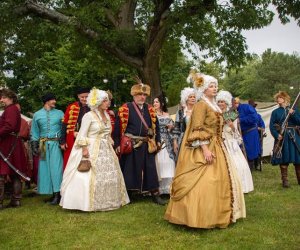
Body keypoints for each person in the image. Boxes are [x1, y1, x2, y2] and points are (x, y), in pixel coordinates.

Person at [165, 72, 245, 229]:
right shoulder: (201, 105)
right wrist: (205, 150)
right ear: (203, 89)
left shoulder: (213, 104)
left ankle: (218, 213)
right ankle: (198, 216)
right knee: (207, 181)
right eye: (211, 86)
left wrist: (233, 109)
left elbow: (223, 119)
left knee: (219, 181)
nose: (215, 88)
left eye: (215, 85)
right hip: (205, 146)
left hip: (219, 144)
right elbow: (197, 128)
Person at [60, 88, 129, 211]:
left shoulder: (107, 115)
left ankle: (109, 201)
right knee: (88, 175)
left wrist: (109, 141)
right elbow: (82, 134)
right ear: (98, 102)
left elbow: (107, 132)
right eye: (105, 101)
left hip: (106, 148)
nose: (108, 103)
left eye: (108, 101)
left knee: (110, 174)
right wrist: (85, 149)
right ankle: (85, 203)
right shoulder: (88, 116)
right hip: (91, 147)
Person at [114, 80, 166, 205]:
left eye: (144, 95)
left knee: (151, 168)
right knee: (130, 169)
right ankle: (130, 193)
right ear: (134, 95)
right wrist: (116, 144)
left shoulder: (150, 109)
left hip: (147, 143)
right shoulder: (125, 108)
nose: (142, 97)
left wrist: (157, 141)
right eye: (139, 95)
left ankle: (155, 194)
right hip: (132, 144)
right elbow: (117, 127)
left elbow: (156, 127)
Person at [217, 90, 254, 193]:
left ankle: (239, 187)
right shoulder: (215, 114)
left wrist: (232, 126)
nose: (220, 104)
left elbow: (236, 132)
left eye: (222, 102)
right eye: (219, 102)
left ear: (227, 103)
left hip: (229, 141)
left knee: (237, 164)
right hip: (218, 141)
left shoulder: (232, 114)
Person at [30, 93, 64, 205]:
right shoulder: (37, 115)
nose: (55, 101)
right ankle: (51, 193)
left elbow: (65, 129)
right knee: (45, 169)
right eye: (52, 100)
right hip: (43, 145)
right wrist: (34, 145)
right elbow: (34, 132)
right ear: (46, 101)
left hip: (56, 144)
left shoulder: (60, 113)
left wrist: (63, 142)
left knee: (56, 169)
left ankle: (58, 194)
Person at [0, 89, 27, 208]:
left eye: (3, 97)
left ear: (10, 97)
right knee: (15, 172)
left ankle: (4, 201)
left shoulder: (11, 109)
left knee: (1, 172)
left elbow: (9, 126)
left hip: (8, 143)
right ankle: (16, 200)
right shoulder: (12, 109)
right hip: (12, 142)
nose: (1, 100)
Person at [270, 91, 300, 188]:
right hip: (282, 136)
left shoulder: (293, 109)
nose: (278, 99)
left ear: (285, 99)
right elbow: (272, 126)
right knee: (283, 159)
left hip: (293, 135)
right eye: (277, 98)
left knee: (298, 159)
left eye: (280, 97)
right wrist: (276, 135)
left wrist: (293, 114)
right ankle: (285, 181)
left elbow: (298, 122)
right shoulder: (275, 112)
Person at [60, 87, 90, 170]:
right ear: (78, 96)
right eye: (82, 97)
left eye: (86, 97)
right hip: (72, 138)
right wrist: (62, 141)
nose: (84, 99)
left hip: (89, 138)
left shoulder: (93, 107)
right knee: (71, 162)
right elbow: (64, 124)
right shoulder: (71, 107)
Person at [153, 94, 175, 194]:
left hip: (168, 141)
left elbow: (174, 128)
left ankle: (168, 188)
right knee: (159, 163)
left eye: (156, 102)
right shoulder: (152, 115)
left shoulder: (168, 114)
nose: (154, 103)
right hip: (157, 141)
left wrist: (171, 127)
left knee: (169, 162)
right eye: (154, 102)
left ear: (161, 103)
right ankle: (158, 189)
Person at [234, 98, 261, 170]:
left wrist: (241, 119)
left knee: (250, 154)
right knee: (240, 153)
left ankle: (250, 171)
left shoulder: (247, 107)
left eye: (235, 103)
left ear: (238, 103)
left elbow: (255, 118)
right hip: (239, 134)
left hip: (250, 133)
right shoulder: (232, 111)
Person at [172, 87, 196, 158]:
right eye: (190, 97)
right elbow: (176, 128)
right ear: (186, 99)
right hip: (183, 139)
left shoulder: (198, 111)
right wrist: (175, 142)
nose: (193, 98)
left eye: (194, 97)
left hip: (196, 138)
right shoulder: (180, 113)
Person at [248, 99, 266, 170]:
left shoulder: (258, 116)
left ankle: (256, 165)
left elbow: (263, 128)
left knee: (257, 150)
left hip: (256, 136)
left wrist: (257, 128)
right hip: (246, 136)